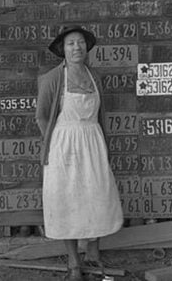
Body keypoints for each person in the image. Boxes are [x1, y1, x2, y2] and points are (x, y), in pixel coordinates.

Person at [35, 25, 123, 281]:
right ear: (63, 49)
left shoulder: (94, 76)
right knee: (66, 202)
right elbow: (41, 116)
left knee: (97, 195)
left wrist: (103, 145)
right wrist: (55, 144)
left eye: (81, 43)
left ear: (87, 47)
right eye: (71, 43)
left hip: (92, 142)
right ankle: (74, 263)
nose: (77, 48)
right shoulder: (52, 78)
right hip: (63, 145)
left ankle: (93, 252)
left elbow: (100, 115)